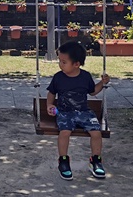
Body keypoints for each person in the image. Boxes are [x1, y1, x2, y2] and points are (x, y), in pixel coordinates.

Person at [46, 40, 110, 180]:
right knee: (65, 132)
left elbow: (93, 92)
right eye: (60, 61)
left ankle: (96, 160)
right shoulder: (58, 77)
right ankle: (63, 161)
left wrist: (102, 83)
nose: (60, 64)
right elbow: (51, 93)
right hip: (64, 112)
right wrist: (49, 105)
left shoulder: (85, 76)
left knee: (96, 132)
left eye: (64, 62)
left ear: (76, 64)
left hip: (84, 112)